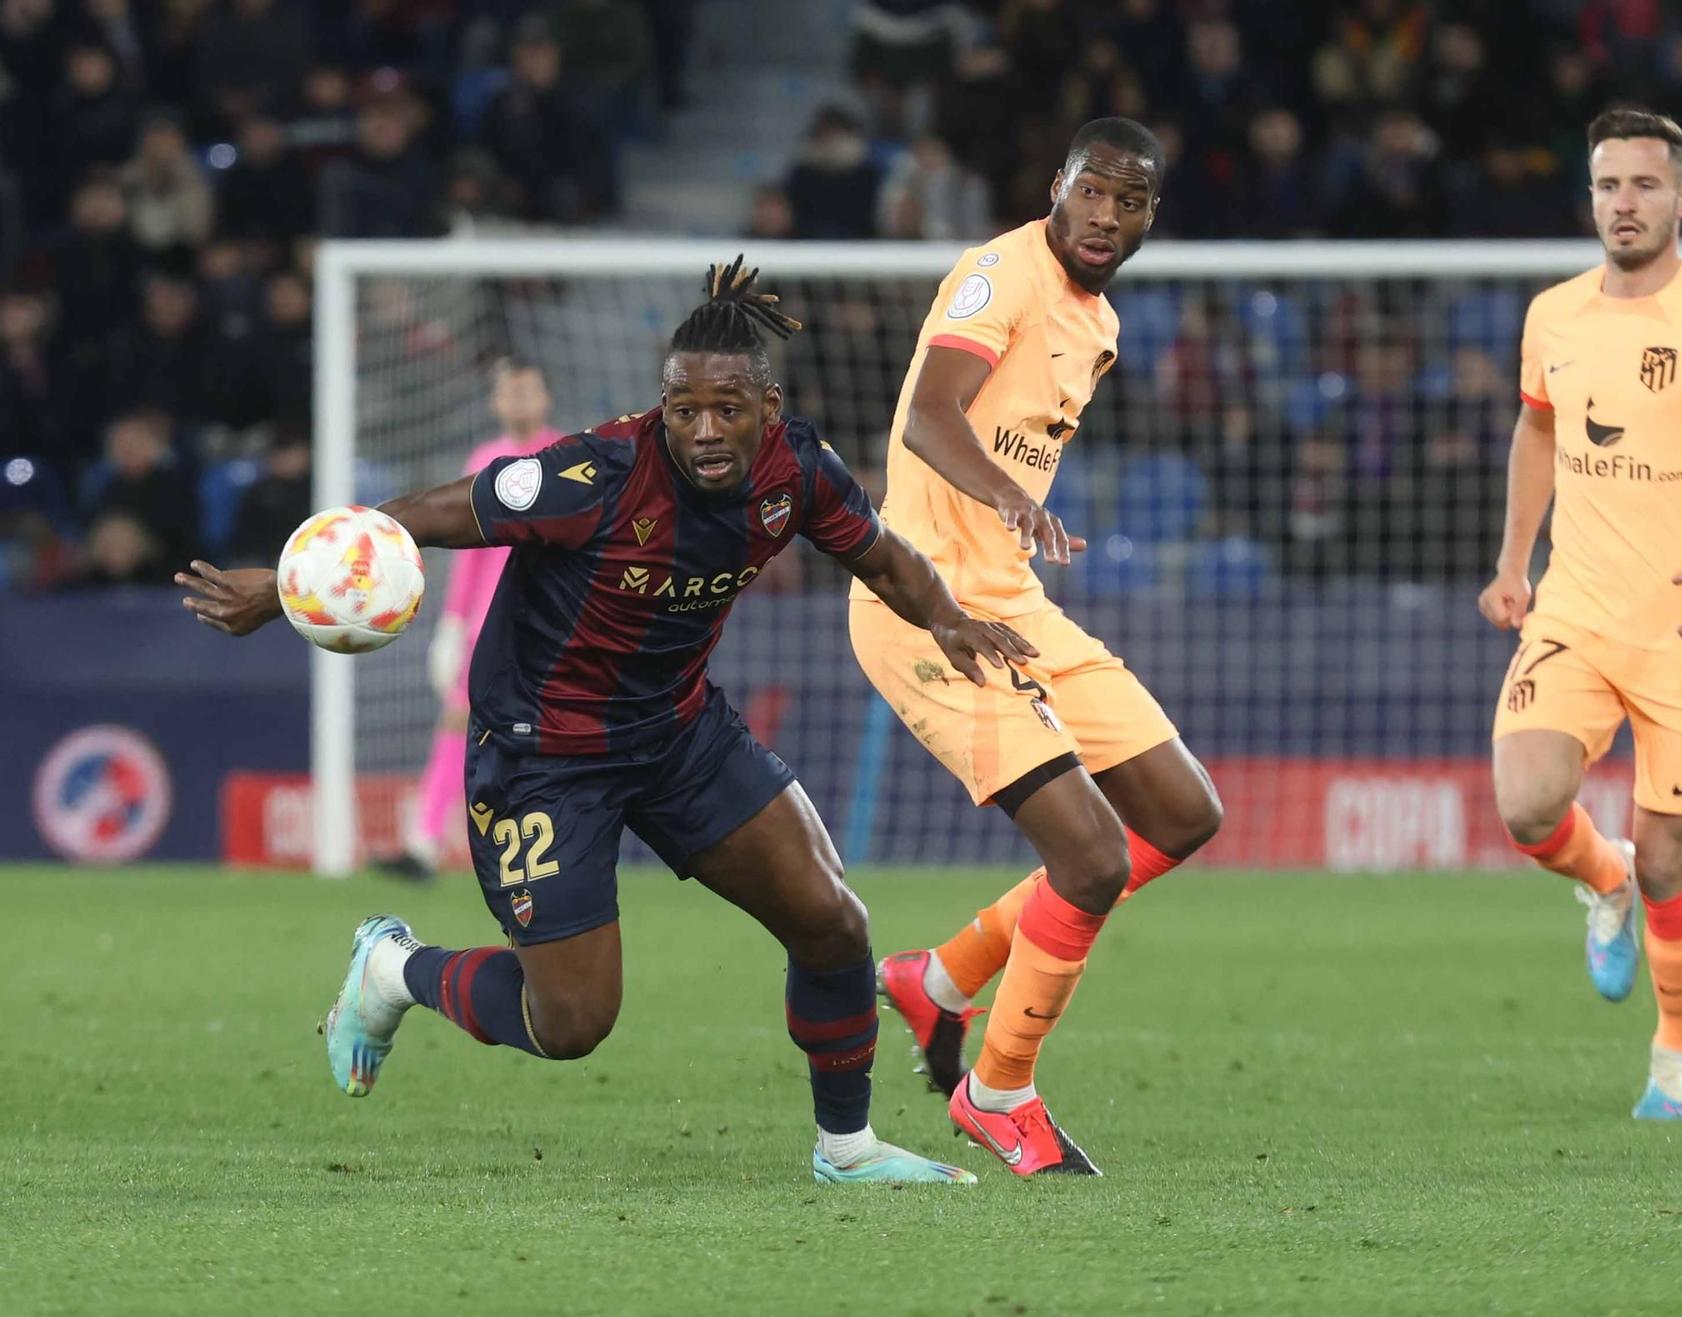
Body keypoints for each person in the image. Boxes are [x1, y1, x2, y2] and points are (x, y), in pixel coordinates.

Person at [176, 260, 1039, 1185]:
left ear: (767, 404)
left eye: (727, 409)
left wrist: (948, 617)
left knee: (832, 920)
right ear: (660, 408)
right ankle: (393, 969)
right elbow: (421, 514)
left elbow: (882, 556)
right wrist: (287, 584)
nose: (705, 430)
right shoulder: (591, 477)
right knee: (574, 1021)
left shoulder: (798, 469)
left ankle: (847, 1149)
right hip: (543, 757)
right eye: (684, 410)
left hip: (676, 734)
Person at [853, 118, 1224, 1176]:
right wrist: (1010, 496)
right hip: (920, 602)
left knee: (1180, 811)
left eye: (1131, 202)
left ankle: (940, 979)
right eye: (1092, 193)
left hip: (1009, 601)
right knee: (1092, 856)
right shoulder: (998, 272)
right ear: (1056, 185)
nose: (1106, 217)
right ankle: (998, 1090)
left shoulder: (1094, 321)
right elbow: (928, 416)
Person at [1477, 110, 1682, 1123]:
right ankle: (1596, 875)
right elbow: (1535, 431)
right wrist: (1510, 560)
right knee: (1526, 804)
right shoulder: (1553, 316)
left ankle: (1674, 1057)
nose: (1623, 203)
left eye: (1644, 186)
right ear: (1590, 196)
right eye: (1607, 185)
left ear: (1681, 200)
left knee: (1669, 861)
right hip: (1572, 606)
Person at [379, 358, 562, 881]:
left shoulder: (564, 457)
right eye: (509, 391)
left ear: (545, 398)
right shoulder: (485, 458)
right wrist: (453, 625)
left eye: (527, 389)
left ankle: (541, 843)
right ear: (495, 402)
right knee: (458, 723)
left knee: (542, 732)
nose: (518, 400)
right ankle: (425, 841)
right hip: (488, 623)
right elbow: (469, 554)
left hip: (548, 619)